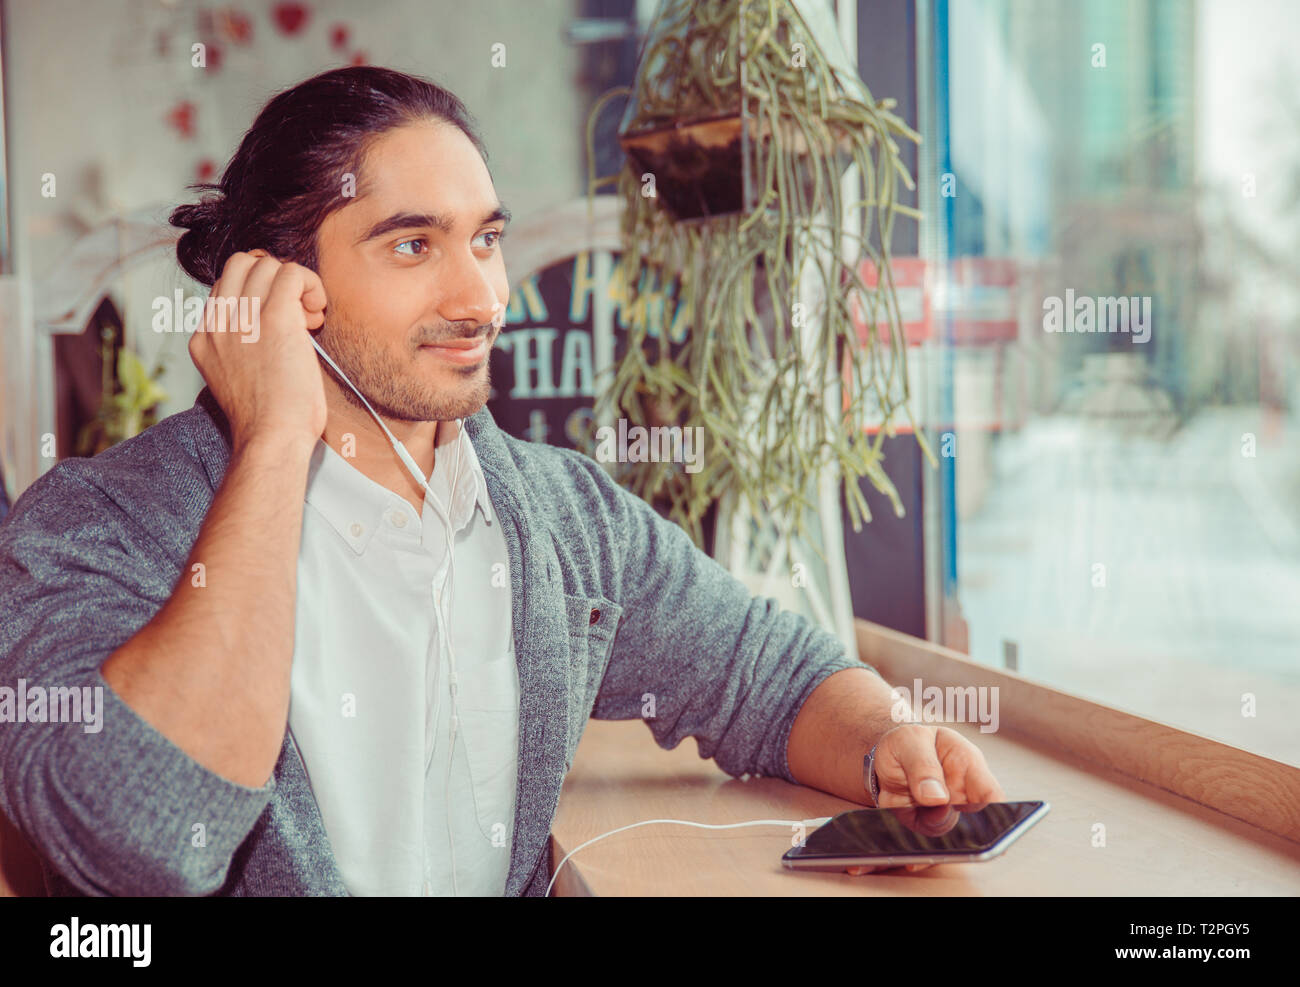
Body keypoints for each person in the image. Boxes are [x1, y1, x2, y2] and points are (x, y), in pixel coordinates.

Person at [0, 66, 1003, 897]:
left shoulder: (557, 516)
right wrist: (271, 444)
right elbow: (145, 840)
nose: (482, 297)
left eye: (485, 238)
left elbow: (770, 678)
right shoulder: (97, 527)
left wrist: (887, 741)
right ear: (275, 286)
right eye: (412, 244)